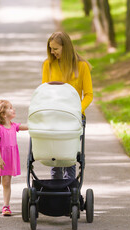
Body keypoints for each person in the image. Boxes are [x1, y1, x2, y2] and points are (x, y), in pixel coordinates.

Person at [42, 31, 93, 180]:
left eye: (55, 49)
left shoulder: (81, 66)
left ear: (66, 47)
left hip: (73, 118)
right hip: (54, 116)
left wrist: (78, 110)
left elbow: (88, 95)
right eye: (50, 49)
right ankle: (55, 189)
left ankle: (69, 191)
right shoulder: (48, 65)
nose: (52, 52)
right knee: (55, 156)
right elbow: (44, 91)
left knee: (69, 156)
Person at [0, 99, 28, 216]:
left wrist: (37, 124)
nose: (13, 109)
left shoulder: (14, 126)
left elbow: (26, 126)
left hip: (10, 158)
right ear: (3, 114)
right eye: (10, 108)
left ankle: (6, 205)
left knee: (6, 182)